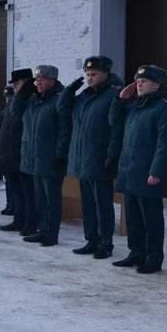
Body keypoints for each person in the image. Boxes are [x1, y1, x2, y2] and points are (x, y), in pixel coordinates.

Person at [109, 65, 167, 274]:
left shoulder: (164, 108)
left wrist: (157, 171)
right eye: (138, 81)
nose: (139, 84)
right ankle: (136, 252)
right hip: (130, 170)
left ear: (157, 85)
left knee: (152, 218)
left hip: (147, 172)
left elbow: (166, 143)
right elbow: (114, 122)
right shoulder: (134, 106)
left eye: (144, 81)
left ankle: (153, 258)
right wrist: (120, 99)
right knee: (132, 217)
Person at [57, 55, 123, 259]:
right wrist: (69, 90)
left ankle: (105, 243)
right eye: (87, 74)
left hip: (100, 158)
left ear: (105, 74)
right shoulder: (84, 96)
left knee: (103, 204)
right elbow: (62, 109)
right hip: (83, 159)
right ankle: (91, 240)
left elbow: (116, 130)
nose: (89, 78)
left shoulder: (114, 95)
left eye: (93, 74)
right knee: (87, 203)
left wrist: (112, 157)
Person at [10, 65, 65, 246]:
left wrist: (60, 154)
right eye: (36, 80)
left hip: (49, 158)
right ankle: (42, 230)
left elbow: (64, 130)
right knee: (40, 199)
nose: (38, 82)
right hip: (33, 157)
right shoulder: (34, 100)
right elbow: (15, 113)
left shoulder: (58, 99)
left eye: (41, 79)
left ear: (52, 80)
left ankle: (52, 233)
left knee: (52, 199)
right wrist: (22, 93)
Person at [0, 69, 36, 235]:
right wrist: (0, 151)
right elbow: (4, 129)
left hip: (22, 152)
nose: (15, 87)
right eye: (14, 84)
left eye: (18, 83)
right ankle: (18, 220)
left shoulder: (31, 100)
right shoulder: (13, 101)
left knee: (28, 192)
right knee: (16, 191)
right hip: (9, 153)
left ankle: (30, 222)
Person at [0, 84, 16, 217]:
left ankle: (13, 205)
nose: (7, 99)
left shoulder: (14, 108)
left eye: (9, 96)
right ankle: (9, 204)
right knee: (8, 180)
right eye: (6, 96)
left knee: (13, 182)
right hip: (5, 149)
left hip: (12, 150)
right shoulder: (5, 109)